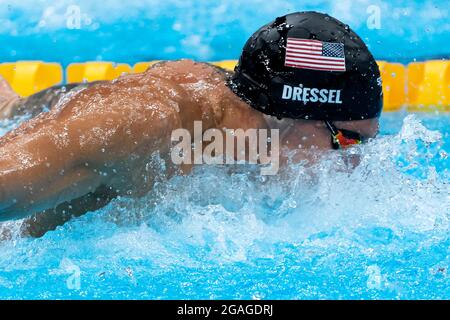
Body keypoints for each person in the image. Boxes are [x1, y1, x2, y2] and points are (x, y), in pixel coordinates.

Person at [0, 11, 382, 237]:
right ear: (288, 115)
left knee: (12, 108)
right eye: (348, 142)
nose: (356, 167)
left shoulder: (242, 123)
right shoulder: (144, 126)